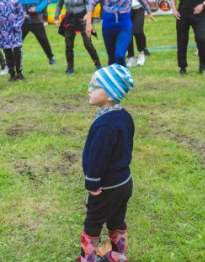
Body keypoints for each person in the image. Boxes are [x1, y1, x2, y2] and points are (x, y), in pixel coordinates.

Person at [78, 63, 134, 262]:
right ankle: (118, 256)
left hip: (106, 186)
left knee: (92, 223)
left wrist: (92, 182)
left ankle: (88, 258)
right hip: (124, 182)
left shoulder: (105, 125)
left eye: (95, 87)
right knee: (117, 219)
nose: (89, 90)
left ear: (110, 95)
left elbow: (98, 156)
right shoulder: (124, 116)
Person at [85, 0, 153, 67]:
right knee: (112, 59)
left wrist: (149, 10)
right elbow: (91, 3)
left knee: (120, 55)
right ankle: (116, 81)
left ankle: (124, 78)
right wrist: (89, 23)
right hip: (108, 25)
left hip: (124, 24)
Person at [54, 0, 102, 75]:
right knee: (68, 45)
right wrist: (56, 17)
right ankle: (70, 68)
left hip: (82, 20)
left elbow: (91, 3)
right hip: (69, 20)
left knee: (88, 44)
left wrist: (87, 15)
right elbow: (59, 4)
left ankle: (98, 65)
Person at [13, 0, 57, 65]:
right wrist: (20, 12)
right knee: (17, 41)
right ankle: (14, 61)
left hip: (36, 20)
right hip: (23, 20)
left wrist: (36, 9)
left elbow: (44, 0)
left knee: (43, 39)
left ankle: (51, 58)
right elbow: (14, 2)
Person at [125, 0, 153, 67]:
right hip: (126, 11)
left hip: (138, 9)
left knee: (138, 31)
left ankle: (141, 54)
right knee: (128, 33)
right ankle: (131, 57)